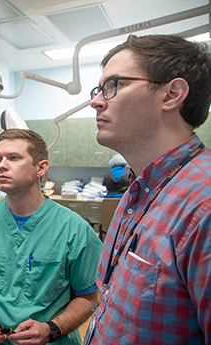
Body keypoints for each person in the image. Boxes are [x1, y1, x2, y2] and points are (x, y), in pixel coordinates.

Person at [85, 34, 211, 344]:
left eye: (115, 85)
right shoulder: (138, 191)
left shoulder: (203, 205)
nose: (96, 101)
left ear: (172, 94)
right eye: (100, 88)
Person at [0, 129, 102, 345]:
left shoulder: (74, 230)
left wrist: (51, 329)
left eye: (14, 157)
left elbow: (89, 297)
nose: (2, 165)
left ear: (40, 168)